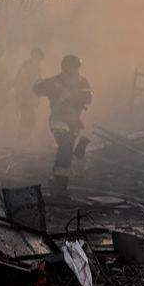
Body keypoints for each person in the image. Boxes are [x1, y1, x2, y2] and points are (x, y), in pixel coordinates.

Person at [33, 54, 92, 194]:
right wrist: (38, 82)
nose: (75, 70)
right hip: (58, 121)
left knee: (67, 152)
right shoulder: (55, 81)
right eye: (73, 67)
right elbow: (37, 89)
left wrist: (72, 97)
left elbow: (88, 97)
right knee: (65, 148)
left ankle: (60, 183)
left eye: (77, 68)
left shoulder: (82, 81)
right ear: (65, 67)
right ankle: (59, 184)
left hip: (74, 123)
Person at [12, 46, 45, 141]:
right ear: (33, 56)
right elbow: (19, 81)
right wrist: (21, 94)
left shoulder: (37, 68)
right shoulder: (27, 66)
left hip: (30, 98)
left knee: (31, 118)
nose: (39, 60)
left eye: (40, 58)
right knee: (25, 117)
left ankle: (25, 138)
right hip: (24, 97)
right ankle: (22, 139)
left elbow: (38, 83)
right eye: (38, 57)